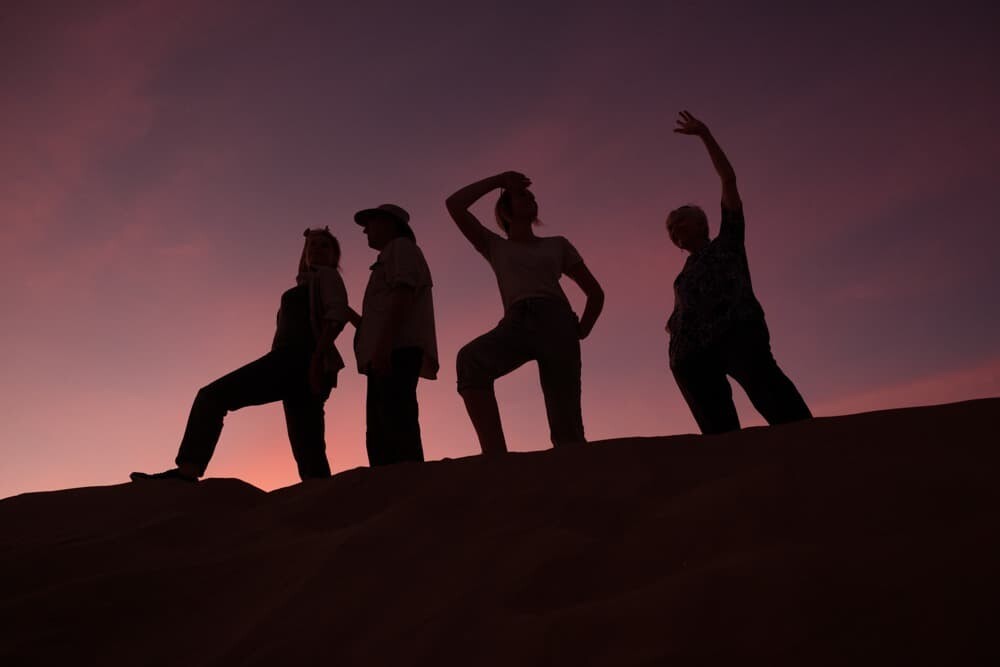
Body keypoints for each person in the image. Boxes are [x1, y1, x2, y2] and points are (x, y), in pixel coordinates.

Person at [131, 228, 351, 482]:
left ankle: (188, 469)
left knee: (212, 396)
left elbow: (337, 317)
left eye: (324, 246)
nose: (316, 249)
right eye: (311, 245)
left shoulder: (328, 276)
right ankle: (323, 501)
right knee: (307, 445)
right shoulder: (306, 285)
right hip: (295, 363)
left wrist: (315, 361)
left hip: (297, 361)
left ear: (335, 256)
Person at [665, 110, 812, 434]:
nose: (675, 229)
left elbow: (728, 179)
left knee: (778, 402)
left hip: (738, 334)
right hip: (692, 357)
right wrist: (674, 329)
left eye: (680, 221)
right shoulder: (682, 276)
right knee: (720, 433)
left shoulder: (727, 242)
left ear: (703, 223)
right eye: (670, 228)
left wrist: (705, 135)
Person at [446, 171, 604, 455]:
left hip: (557, 322)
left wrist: (582, 329)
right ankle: (495, 456)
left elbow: (595, 292)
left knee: (567, 426)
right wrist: (499, 181)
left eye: (532, 196)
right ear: (505, 211)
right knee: (471, 361)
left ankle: (576, 477)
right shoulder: (494, 245)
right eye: (522, 195)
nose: (530, 198)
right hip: (517, 322)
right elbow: (455, 204)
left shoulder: (557, 244)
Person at [353, 204, 438, 466]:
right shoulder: (391, 255)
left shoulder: (400, 249)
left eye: (371, 222)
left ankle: (409, 494)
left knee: (395, 430)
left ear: (391, 224)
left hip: (394, 351)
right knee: (382, 433)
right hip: (387, 351)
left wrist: (383, 348)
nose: (365, 230)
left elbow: (402, 294)